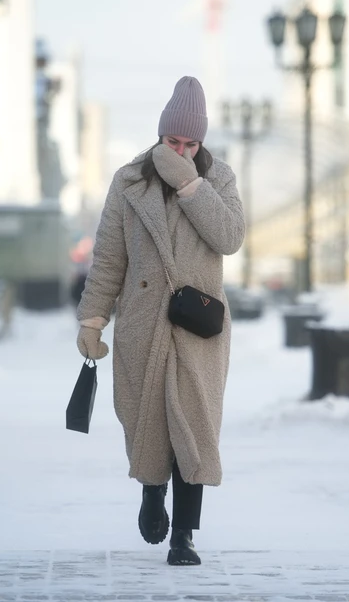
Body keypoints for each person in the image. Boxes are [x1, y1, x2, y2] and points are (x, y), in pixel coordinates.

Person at [75, 76, 245, 566]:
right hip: (144, 322)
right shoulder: (130, 182)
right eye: (174, 142)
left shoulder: (218, 179)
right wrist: (93, 320)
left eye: (192, 143)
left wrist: (191, 186)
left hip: (199, 325)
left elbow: (230, 236)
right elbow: (109, 257)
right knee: (147, 418)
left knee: (194, 425)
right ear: (160, 135)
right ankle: (152, 497)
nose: (183, 149)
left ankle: (185, 536)